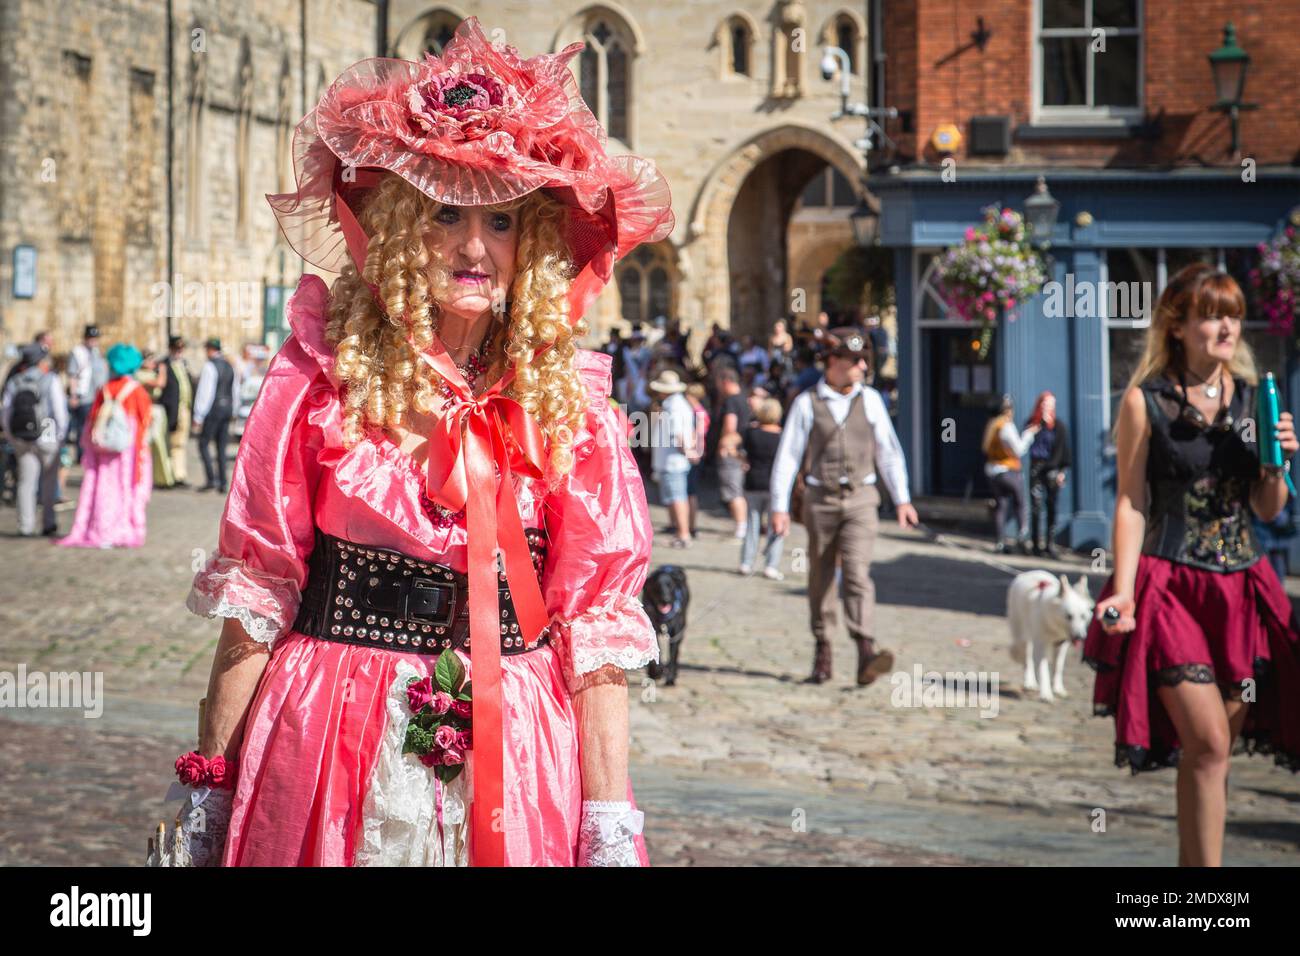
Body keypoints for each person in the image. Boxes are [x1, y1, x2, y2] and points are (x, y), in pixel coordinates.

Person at [172, 18, 673, 868]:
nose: (476, 248)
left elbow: (594, 632)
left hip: (513, 747)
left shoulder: (569, 403)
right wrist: (209, 790)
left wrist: (609, 820)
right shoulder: (318, 378)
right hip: (329, 731)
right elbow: (257, 595)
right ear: (404, 224)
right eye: (447, 213)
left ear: (534, 244)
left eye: (504, 222)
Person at [1086, 263, 1300, 867]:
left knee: (1212, 756)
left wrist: (1277, 464)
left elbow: (1267, 507)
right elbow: (1131, 501)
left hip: (1243, 588)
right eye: (1211, 314)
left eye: (1232, 313)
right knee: (1206, 742)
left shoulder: (1258, 399)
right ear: (1177, 326)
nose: (1226, 326)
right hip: (1171, 582)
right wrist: (1123, 591)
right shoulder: (1144, 402)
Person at [770, 327, 918, 685]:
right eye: (855, 360)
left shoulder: (871, 400)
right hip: (820, 499)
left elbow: (889, 452)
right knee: (820, 574)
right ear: (833, 362)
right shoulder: (807, 403)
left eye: (863, 359)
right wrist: (779, 507)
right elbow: (788, 457)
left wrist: (902, 499)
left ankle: (865, 648)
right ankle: (823, 649)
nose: (863, 366)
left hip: (861, 499)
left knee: (856, 572)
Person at [58, 343, 154, 549]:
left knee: (103, 488)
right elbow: (146, 422)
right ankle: (122, 528)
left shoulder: (105, 390)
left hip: (103, 453)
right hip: (128, 452)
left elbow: (91, 422)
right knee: (124, 489)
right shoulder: (137, 392)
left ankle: (102, 528)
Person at [1, 344, 67, 536]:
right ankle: (48, 522)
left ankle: (25, 526)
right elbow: (59, 412)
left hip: (22, 437)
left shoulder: (15, 381)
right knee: (48, 481)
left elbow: (6, 412)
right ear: (40, 361)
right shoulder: (50, 380)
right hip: (47, 434)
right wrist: (61, 437)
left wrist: (12, 437)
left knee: (26, 482)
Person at [982, 394, 1038, 554]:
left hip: (992, 472)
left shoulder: (991, 426)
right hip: (1008, 471)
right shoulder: (1006, 426)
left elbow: (985, 449)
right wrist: (1029, 434)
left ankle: (1000, 541)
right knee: (1020, 503)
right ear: (1006, 411)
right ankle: (1022, 538)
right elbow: (1018, 449)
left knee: (1000, 505)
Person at [740, 396, 786, 579]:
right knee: (776, 526)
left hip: (753, 481)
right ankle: (771, 565)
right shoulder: (783, 436)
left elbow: (742, 454)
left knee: (752, 524)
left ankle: (746, 562)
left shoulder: (751, 433)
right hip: (775, 484)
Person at [650, 369, 695, 548]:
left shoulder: (674, 406)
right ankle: (679, 530)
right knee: (675, 496)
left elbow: (678, 434)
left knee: (677, 497)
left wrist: (687, 451)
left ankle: (683, 534)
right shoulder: (676, 404)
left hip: (673, 461)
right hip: (671, 460)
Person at [1025, 390, 1071, 557]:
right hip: (1036, 468)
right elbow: (1026, 445)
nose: (1047, 406)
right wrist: (1035, 429)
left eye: (1051, 403)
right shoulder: (1033, 424)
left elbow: (1064, 451)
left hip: (1052, 470)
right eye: (1044, 403)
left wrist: (1062, 471)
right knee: (1036, 507)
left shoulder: (1059, 426)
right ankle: (1036, 544)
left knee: (1051, 506)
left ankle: (1050, 544)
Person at [192, 337, 239, 493]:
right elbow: (235, 390)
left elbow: (205, 392)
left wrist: (198, 415)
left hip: (213, 410)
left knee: (203, 444)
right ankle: (223, 482)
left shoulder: (209, 367)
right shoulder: (230, 366)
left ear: (210, 349)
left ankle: (211, 479)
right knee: (221, 447)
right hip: (227, 409)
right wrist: (234, 409)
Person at [715, 366, 750, 538]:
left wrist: (724, 446)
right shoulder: (744, 399)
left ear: (726, 382)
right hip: (741, 449)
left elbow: (730, 425)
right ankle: (742, 525)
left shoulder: (731, 401)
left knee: (733, 490)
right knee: (737, 489)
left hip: (731, 450)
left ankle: (741, 527)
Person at [66, 324, 108, 464]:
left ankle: (92, 452)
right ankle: (81, 454)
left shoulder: (97, 353)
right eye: (90, 337)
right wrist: (73, 395)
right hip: (83, 396)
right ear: (85, 338)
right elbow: (72, 375)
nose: (93, 340)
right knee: (83, 427)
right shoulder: (78, 352)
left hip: (98, 397)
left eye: (95, 338)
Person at [137, 352, 176, 489]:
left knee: (161, 444)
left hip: (157, 409)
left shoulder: (151, 373)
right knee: (149, 443)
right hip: (149, 409)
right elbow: (160, 383)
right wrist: (163, 371)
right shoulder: (140, 375)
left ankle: (162, 476)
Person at [159, 334, 194, 486]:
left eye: (181, 348)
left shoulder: (183, 364)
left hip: (184, 409)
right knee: (170, 442)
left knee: (181, 443)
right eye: (176, 349)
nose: (179, 352)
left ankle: (179, 474)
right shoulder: (164, 364)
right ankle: (169, 475)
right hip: (171, 409)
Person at [684, 382, 711, 538]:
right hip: (698, 453)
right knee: (690, 491)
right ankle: (690, 524)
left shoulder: (696, 413)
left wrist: (691, 450)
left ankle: (692, 525)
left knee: (690, 492)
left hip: (694, 455)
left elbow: (696, 435)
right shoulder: (701, 411)